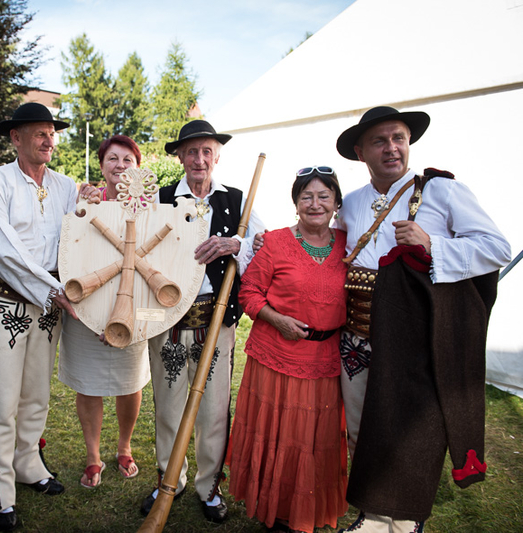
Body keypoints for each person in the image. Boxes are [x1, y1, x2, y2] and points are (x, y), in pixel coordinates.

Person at [333, 106, 510, 533]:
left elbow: (497, 248)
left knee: (410, 433)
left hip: (412, 334)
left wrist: (433, 245)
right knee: (360, 427)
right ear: (360, 152)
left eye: (399, 138)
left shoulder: (442, 191)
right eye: (379, 141)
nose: (392, 148)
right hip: (357, 335)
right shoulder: (351, 203)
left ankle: (406, 520)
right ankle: (373, 514)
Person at [0, 102, 99, 531]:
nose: (48, 141)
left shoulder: (64, 185)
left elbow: (79, 233)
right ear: (16, 138)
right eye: (39, 133)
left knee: (36, 396)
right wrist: (52, 289)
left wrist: (92, 203)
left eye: (52, 133)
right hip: (4, 302)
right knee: (3, 400)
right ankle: (2, 488)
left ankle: (28, 464)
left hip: (49, 306)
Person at [142, 119, 265, 523]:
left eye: (207, 151)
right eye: (192, 151)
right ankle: (169, 480)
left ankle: (209, 486)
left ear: (217, 156)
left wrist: (236, 243)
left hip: (217, 322)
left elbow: (264, 248)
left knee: (213, 410)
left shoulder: (236, 201)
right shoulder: (160, 199)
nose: (199, 159)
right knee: (169, 407)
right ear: (180, 156)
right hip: (168, 322)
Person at [227, 167, 348, 533]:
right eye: (306, 197)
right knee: (280, 438)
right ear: (296, 204)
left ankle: (305, 511)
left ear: (337, 203)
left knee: (314, 440)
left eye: (324, 196)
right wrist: (277, 319)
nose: (315, 204)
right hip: (276, 356)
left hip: (326, 360)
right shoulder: (275, 242)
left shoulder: (350, 245)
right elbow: (249, 292)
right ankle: (275, 512)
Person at [58, 135, 149, 489]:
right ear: (101, 165)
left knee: (129, 382)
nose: (120, 166)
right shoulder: (85, 202)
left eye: (128, 160)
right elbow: (70, 250)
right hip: (85, 307)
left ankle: (124, 447)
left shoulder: (150, 206)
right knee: (88, 382)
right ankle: (93, 456)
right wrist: (93, 315)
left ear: (138, 168)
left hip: (133, 308)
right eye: (113, 158)